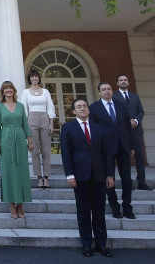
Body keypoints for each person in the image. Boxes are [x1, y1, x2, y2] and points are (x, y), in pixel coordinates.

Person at [61, 98, 114, 258]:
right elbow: (66, 153)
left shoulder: (99, 128)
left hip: (99, 176)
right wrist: (70, 175)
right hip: (80, 176)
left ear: (88, 110)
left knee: (99, 211)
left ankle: (101, 245)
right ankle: (86, 245)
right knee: (83, 212)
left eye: (84, 106)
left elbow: (107, 153)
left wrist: (110, 174)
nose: (82, 108)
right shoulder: (68, 128)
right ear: (74, 111)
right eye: (79, 107)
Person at [89, 82, 134, 219]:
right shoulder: (94, 108)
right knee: (109, 179)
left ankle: (127, 207)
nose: (107, 91)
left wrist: (131, 146)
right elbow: (92, 129)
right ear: (99, 93)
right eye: (104, 90)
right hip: (105, 149)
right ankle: (115, 207)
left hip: (123, 147)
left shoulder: (121, 105)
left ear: (112, 91)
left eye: (109, 89)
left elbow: (127, 127)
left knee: (127, 179)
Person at [0, 81, 33, 219]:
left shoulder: (20, 106)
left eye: (10, 88)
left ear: (14, 90)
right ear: (2, 91)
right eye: (6, 88)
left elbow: (25, 124)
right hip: (5, 139)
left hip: (20, 139)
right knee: (8, 172)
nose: (8, 90)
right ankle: (11, 205)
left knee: (22, 172)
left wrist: (30, 140)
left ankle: (20, 205)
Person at [113, 74, 151, 191]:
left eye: (125, 80)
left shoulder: (135, 96)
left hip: (136, 131)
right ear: (117, 83)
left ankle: (141, 181)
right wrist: (126, 122)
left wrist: (135, 120)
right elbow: (114, 113)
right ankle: (127, 182)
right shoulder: (114, 96)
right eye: (121, 80)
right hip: (122, 132)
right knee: (125, 157)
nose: (123, 82)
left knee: (140, 157)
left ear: (128, 82)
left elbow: (141, 111)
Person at [20, 70, 56, 189]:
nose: (34, 79)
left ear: (39, 78)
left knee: (46, 150)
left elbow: (50, 107)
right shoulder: (25, 92)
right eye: (32, 77)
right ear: (29, 79)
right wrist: (25, 126)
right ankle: (39, 177)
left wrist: (51, 123)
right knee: (34, 150)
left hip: (44, 118)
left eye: (36, 77)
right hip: (31, 119)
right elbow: (24, 109)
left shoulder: (45, 91)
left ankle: (46, 177)